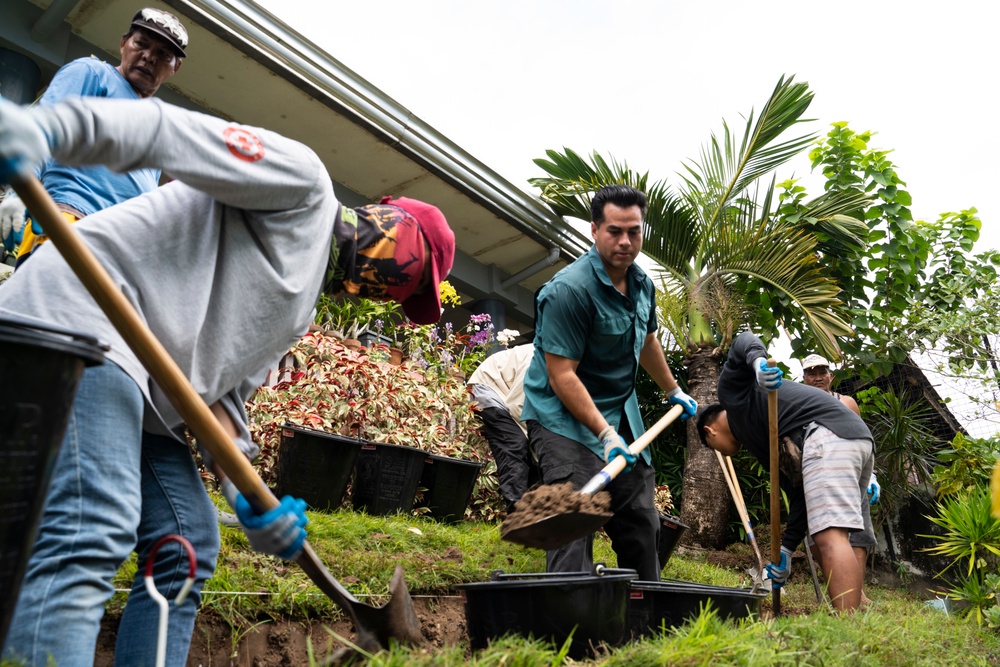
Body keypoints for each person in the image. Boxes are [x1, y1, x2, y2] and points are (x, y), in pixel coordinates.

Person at [0, 94, 455, 666]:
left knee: (187, 541)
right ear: (397, 227)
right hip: (80, 321)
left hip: (142, 393)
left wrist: (248, 498)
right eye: (410, 284)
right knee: (91, 524)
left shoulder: (297, 313)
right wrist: (46, 128)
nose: (394, 295)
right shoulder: (303, 187)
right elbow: (167, 132)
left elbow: (221, 404)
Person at [520, 184, 698, 582]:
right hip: (562, 419)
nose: (625, 241)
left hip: (620, 414)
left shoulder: (641, 284)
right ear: (594, 230)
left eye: (633, 231)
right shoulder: (568, 291)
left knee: (641, 521)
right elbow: (561, 374)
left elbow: (647, 340)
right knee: (574, 520)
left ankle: (642, 613)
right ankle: (569, 617)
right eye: (614, 231)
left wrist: (674, 390)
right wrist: (603, 433)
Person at [697, 332, 874, 611]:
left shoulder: (732, 396)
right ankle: (851, 617)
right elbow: (799, 493)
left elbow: (743, 341)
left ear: (710, 431)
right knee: (828, 533)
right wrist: (787, 550)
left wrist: (757, 366)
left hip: (829, 436)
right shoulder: (762, 442)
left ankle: (850, 626)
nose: (721, 451)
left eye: (713, 446)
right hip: (855, 440)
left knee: (830, 535)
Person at [0, 7, 188, 267]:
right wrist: (21, 189)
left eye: (162, 55)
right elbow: (44, 128)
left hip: (117, 256)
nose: (148, 57)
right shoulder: (93, 73)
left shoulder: (156, 131)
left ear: (175, 67)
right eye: (141, 44)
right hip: (69, 223)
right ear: (123, 43)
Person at [801, 353, 881, 605]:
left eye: (822, 371)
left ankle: (858, 593)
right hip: (818, 473)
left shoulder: (846, 402)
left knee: (857, 530)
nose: (817, 377)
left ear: (831, 376)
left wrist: (872, 476)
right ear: (803, 378)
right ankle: (839, 586)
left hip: (851, 472)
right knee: (821, 531)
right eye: (811, 373)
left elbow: (860, 436)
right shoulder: (800, 404)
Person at [467, 343, 539, 514]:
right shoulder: (537, 361)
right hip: (488, 387)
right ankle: (518, 517)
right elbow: (517, 406)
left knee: (538, 458)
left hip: (508, 392)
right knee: (514, 444)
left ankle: (536, 517)